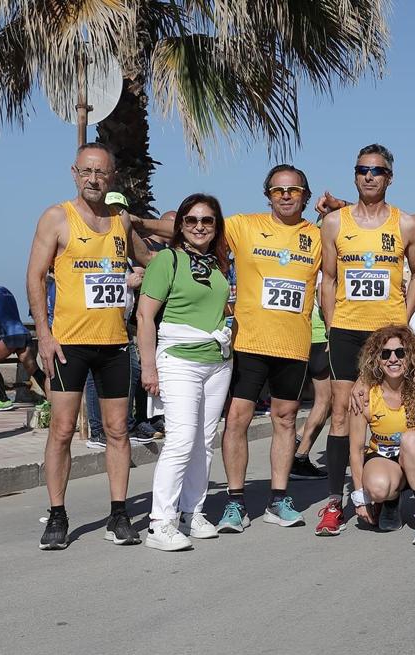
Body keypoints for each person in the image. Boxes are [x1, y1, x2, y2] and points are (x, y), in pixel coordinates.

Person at [26, 142, 168, 550]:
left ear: (112, 177)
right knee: (62, 430)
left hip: (114, 346)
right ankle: (57, 515)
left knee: (117, 432)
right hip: (69, 344)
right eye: (86, 172)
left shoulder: (122, 221)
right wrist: (45, 335)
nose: (93, 179)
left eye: (101, 173)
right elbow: (35, 278)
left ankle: (119, 513)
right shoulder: (57, 218)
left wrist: (151, 265)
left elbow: (151, 259)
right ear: (74, 173)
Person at [206, 164, 323, 532]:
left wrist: (339, 204)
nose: (286, 196)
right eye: (278, 190)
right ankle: (236, 501)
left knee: (286, 419)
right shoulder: (244, 225)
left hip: (293, 345)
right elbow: (196, 230)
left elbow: (364, 224)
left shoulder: (318, 235)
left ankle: (277, 499)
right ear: (267, 195)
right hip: (249, 341)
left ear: (306, 195)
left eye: (294, 190)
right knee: (237, 419)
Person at [317, 144, 415, 536]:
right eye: (362, 169)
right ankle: (336, 502)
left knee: (390, 408)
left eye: (377, 171)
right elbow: (327, 279)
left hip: (386, 334)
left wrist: (402, 318)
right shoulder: (334, 223)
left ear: (389, 178)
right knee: (343, 411)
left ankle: (388, 495)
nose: (369, 176)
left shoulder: (405, 224)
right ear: (354, 174)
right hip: (347, 330)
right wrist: (331, 327)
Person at [136, 194, 232, 551]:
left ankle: (193, 511)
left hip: (218, 361)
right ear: (180, 226)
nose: (199, 227)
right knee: (179, 439)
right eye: (191, 220)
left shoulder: (220, 264)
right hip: (178, 359)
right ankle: (161, 522)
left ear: (216, 226)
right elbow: (145, 316)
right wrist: (149, 367)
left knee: (204, 442)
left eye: (207, 221)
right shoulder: (167, 260)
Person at [347, 325, 415, 545]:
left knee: (411, 439)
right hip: (386, 458)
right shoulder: (364, 395)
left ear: (411, 356)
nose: (393, 359)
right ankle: (390, 500)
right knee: (379, 488)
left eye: (400, 352)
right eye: (385, 354)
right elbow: (355, 451)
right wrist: (360, 497)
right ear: (376, 359)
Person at [290, 289, 332, 480]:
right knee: (325, 401)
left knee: (329, 402)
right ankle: (300, 456)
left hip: (313, 334)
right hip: (321, 336)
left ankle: (298, 442)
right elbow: (323, 296)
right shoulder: (326, 267)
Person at [0, 285, 48, 410]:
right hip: (23, 333)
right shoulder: (4, 290)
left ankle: (3, 399)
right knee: (33, 369)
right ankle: (51, 400)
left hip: (11, 335)